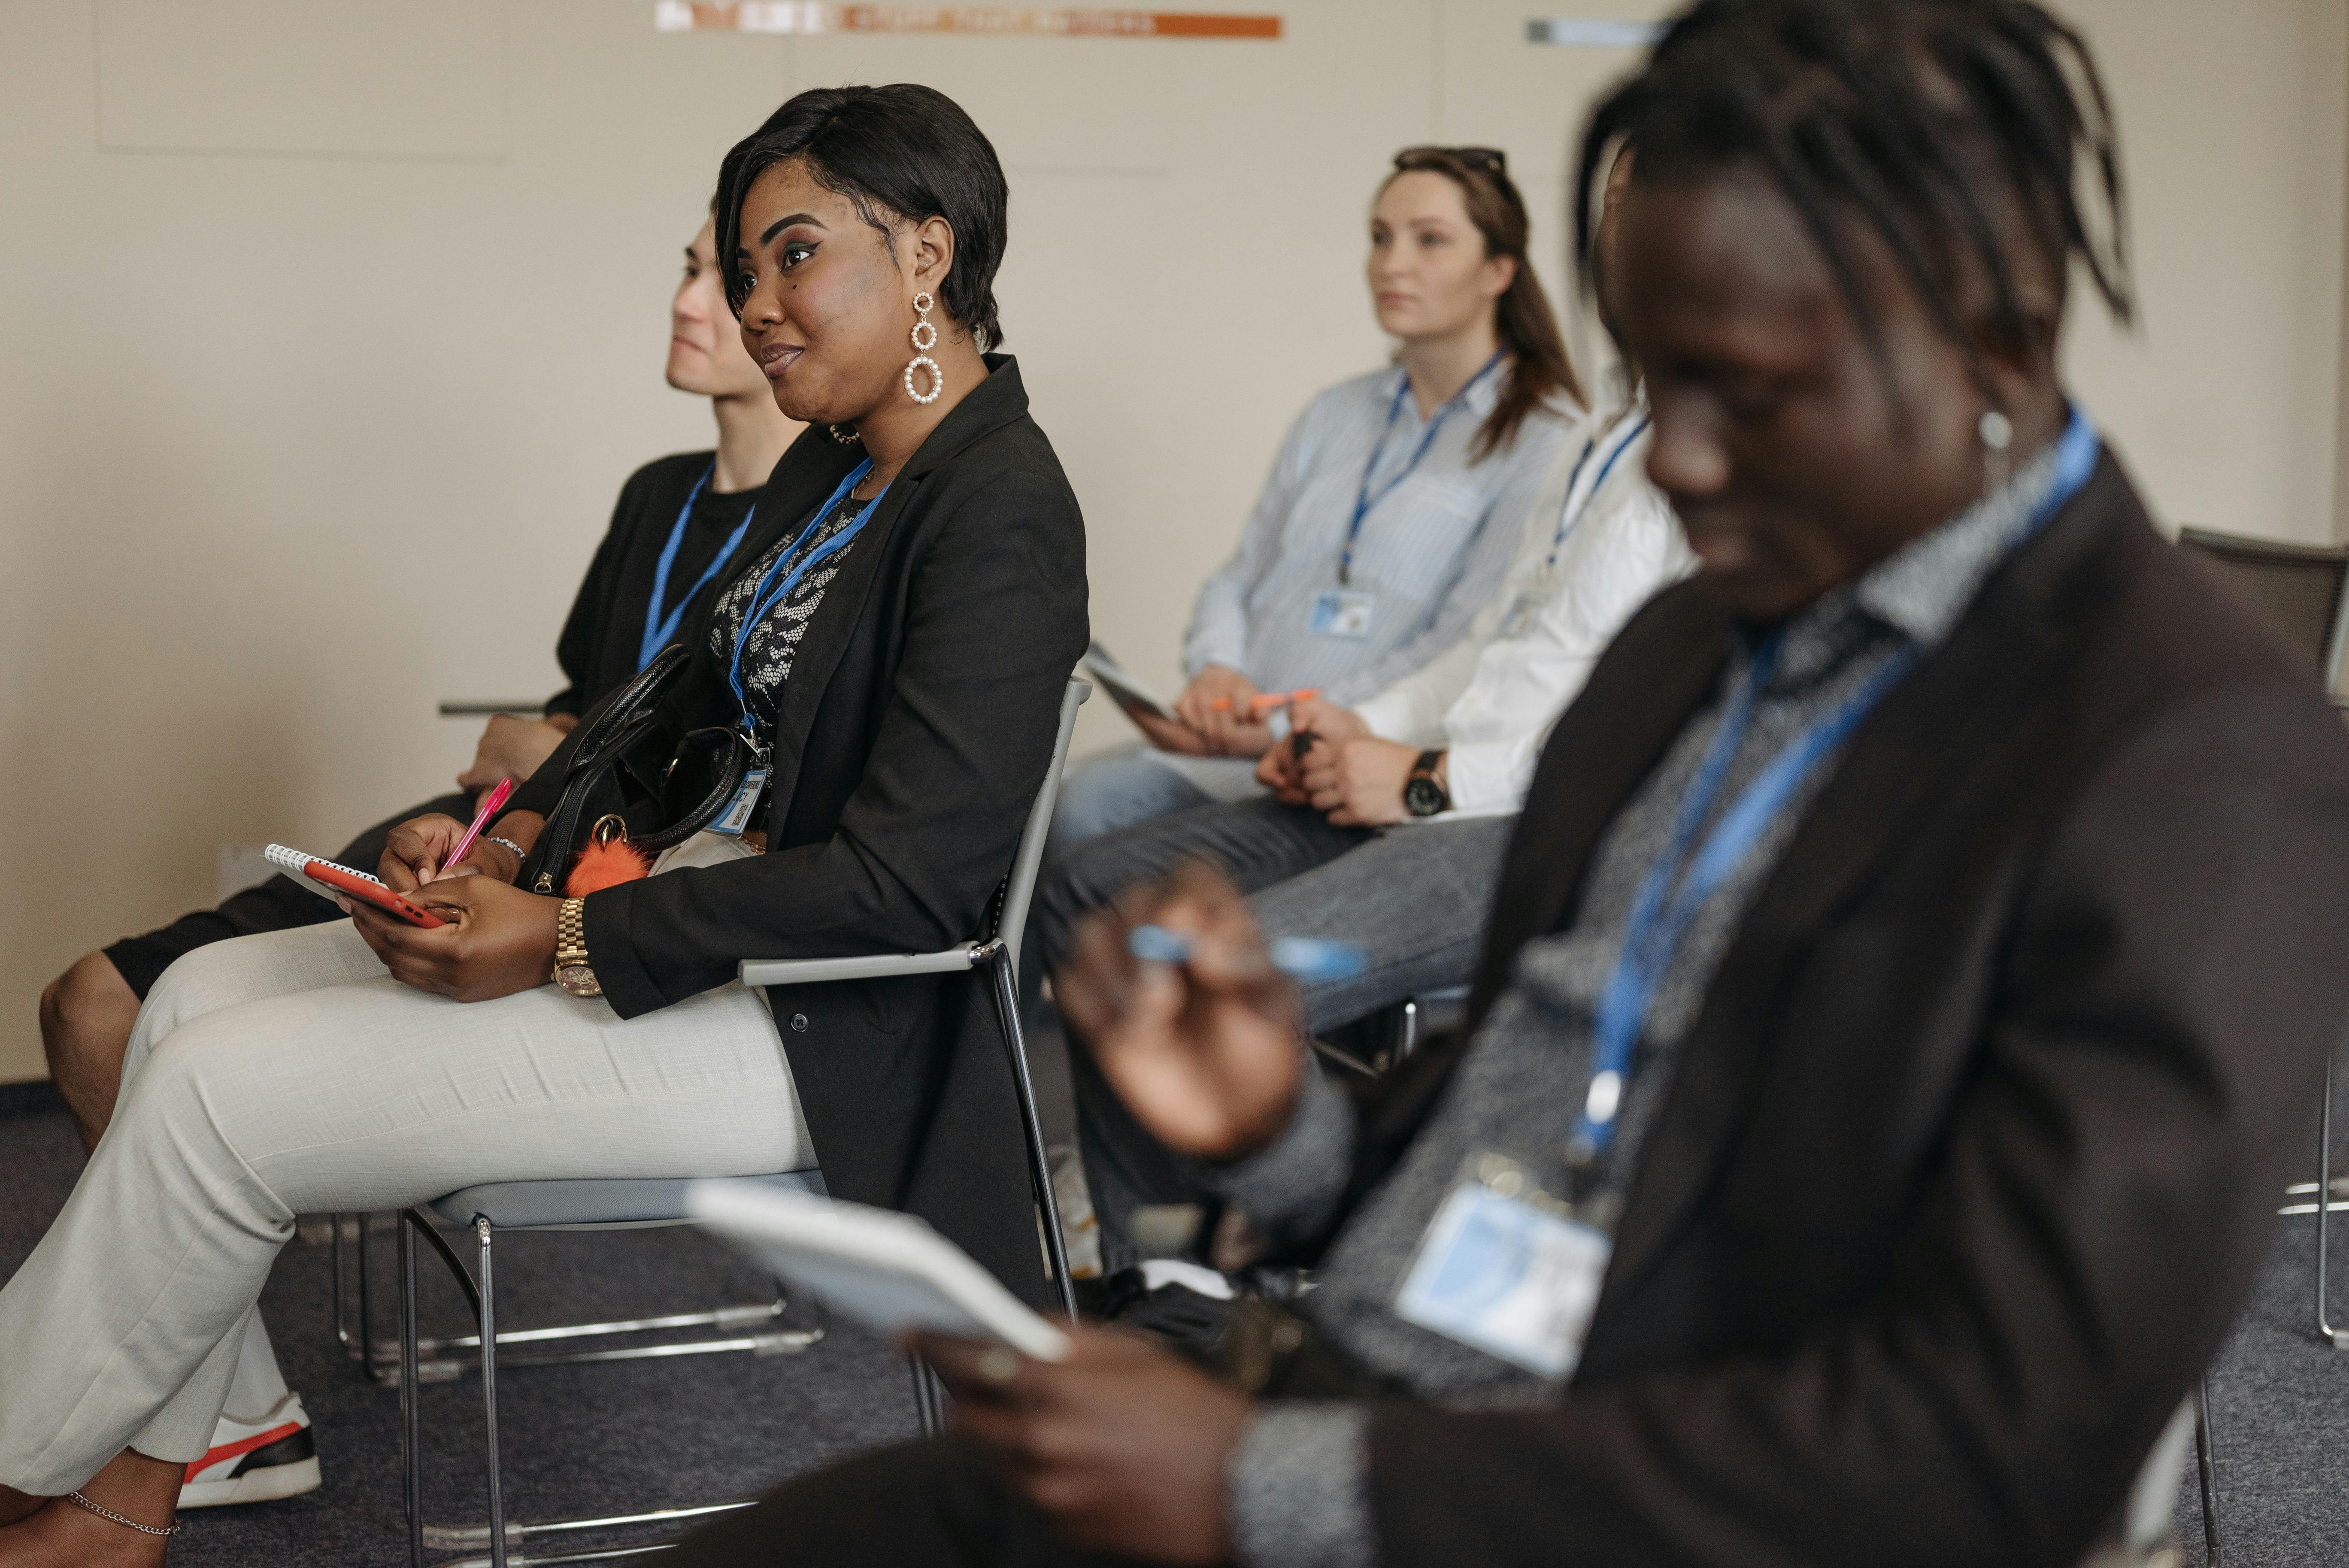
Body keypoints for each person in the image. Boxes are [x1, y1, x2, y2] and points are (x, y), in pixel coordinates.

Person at [662, 4, 2349, 1566]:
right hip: (1391, 1394)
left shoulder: (2200, 765)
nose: (1675, 462)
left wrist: (1273, 1485)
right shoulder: (1709, 645)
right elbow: (1562, 1094)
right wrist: (1287, 1126)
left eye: (1742, 389)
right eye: (1652, 379)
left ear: (1989, 321)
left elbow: (1982, 1449)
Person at [0, 82, 1086, 1563]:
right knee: (187, 996)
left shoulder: (1001, 504)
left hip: (827, 1025)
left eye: (793, 254)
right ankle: (116, 1496)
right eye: (741, 263)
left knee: (218, 1095)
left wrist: (567, 931)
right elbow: (670, 722)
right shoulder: (839, 474)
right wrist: (506, 842)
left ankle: (78, 1497)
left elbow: (916, 885)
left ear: (926, 255)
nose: (760, 304)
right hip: (701, 934)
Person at [24, 199, 800, 1512]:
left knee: (135, 1019)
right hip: (496, 838)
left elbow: (673, 778)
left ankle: (170, 1440)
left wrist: (535, 771)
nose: (691, 302)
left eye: (726, 280)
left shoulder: (822, 540)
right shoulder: (656, 499)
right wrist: (497, 801)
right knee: (100, 1003)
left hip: (589, 893)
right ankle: (218, 1415)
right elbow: (567, 727)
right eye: (691, 270)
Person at [1052, 146, 1577, 852]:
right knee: (1036, 801)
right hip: (1229, 743)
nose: (1391, 264)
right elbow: (1239, 575)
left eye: (1429, 240)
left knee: (1084, 810)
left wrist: (1275, 727)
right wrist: (1218, 670)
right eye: (1379, 237)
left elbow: (1461, 646)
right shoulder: (1334, 413)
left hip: (1338, 759)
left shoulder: (1544, 443)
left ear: (1498, 271)